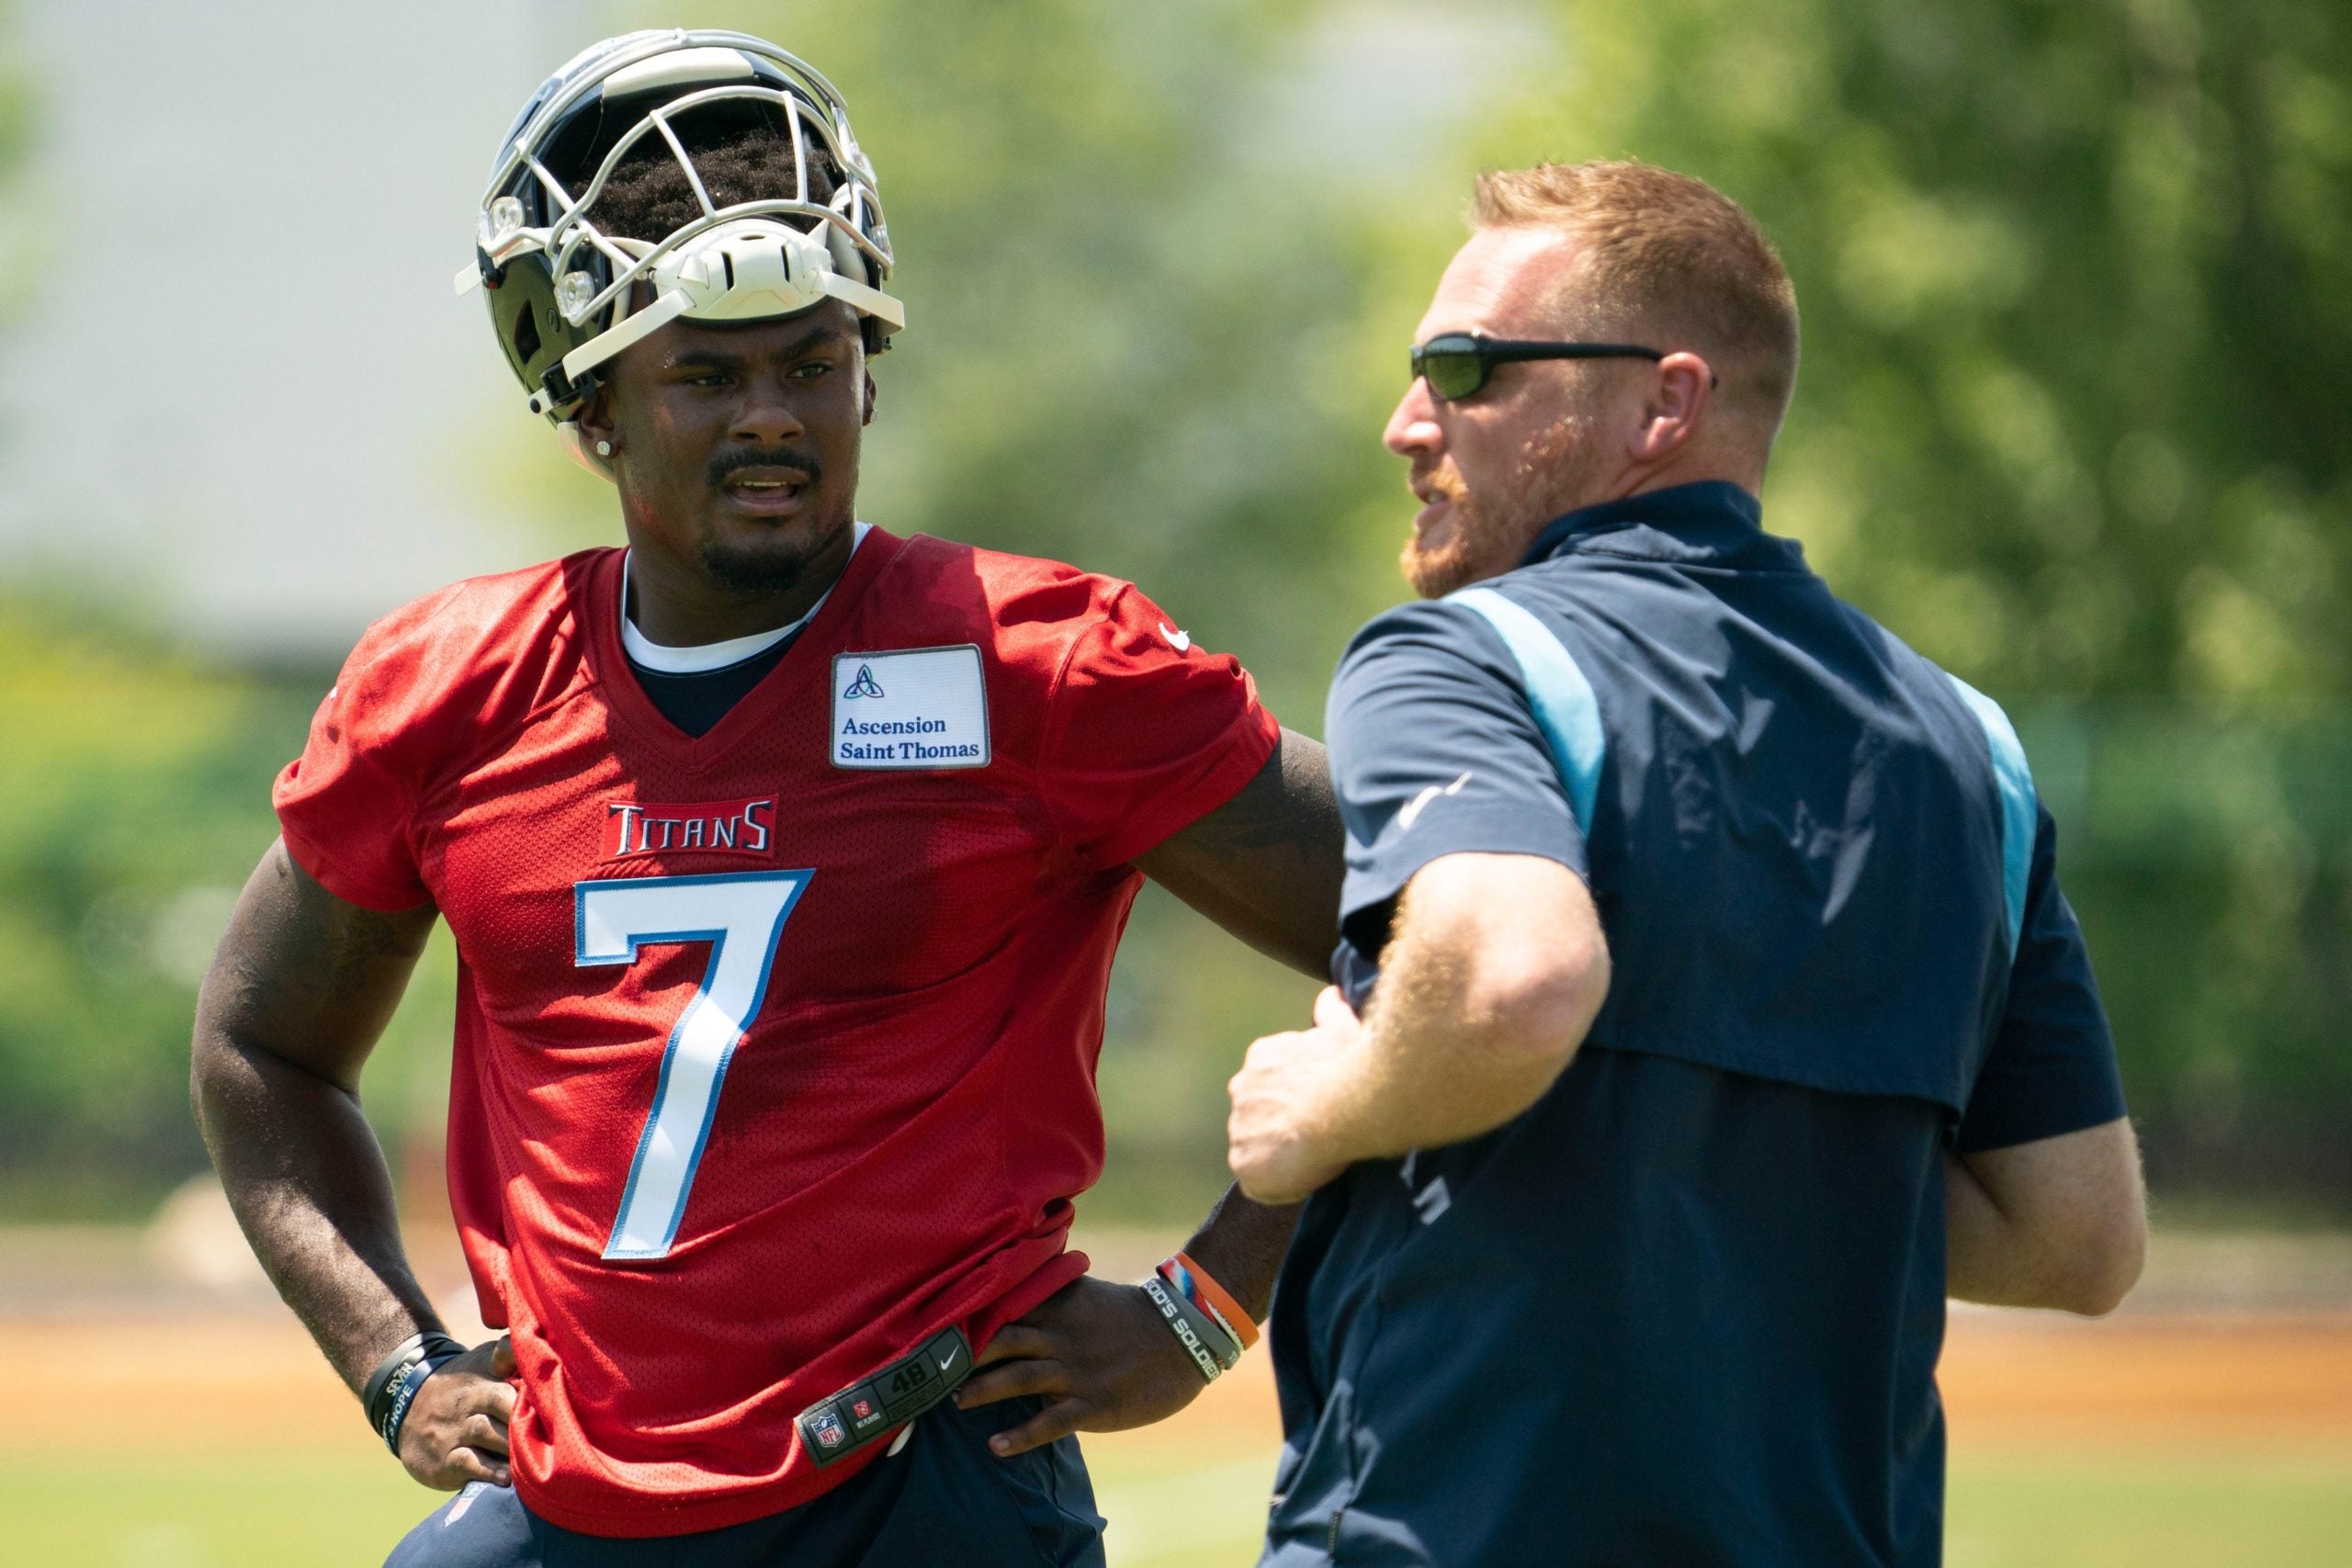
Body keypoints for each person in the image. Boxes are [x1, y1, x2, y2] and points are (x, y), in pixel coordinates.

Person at [190, 31, 1333, 1567]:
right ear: (591, 408)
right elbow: (259, 1044)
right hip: (567, 1488)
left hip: (925, 1479)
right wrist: (391, 1362)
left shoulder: (1038, 663)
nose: (774, 418)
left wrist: (1210, 1304)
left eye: (813, 362)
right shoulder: (449, 689)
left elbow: (1430, 944)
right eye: (708, 376)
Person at [1224, 160, 2147, 1566]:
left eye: (1467, 368)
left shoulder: (1462, 657)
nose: (1409, 421)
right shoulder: (1976, 746)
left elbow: (1514, 986)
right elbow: (2079, 1237)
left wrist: (1327, 1108)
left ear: (1665, 401)